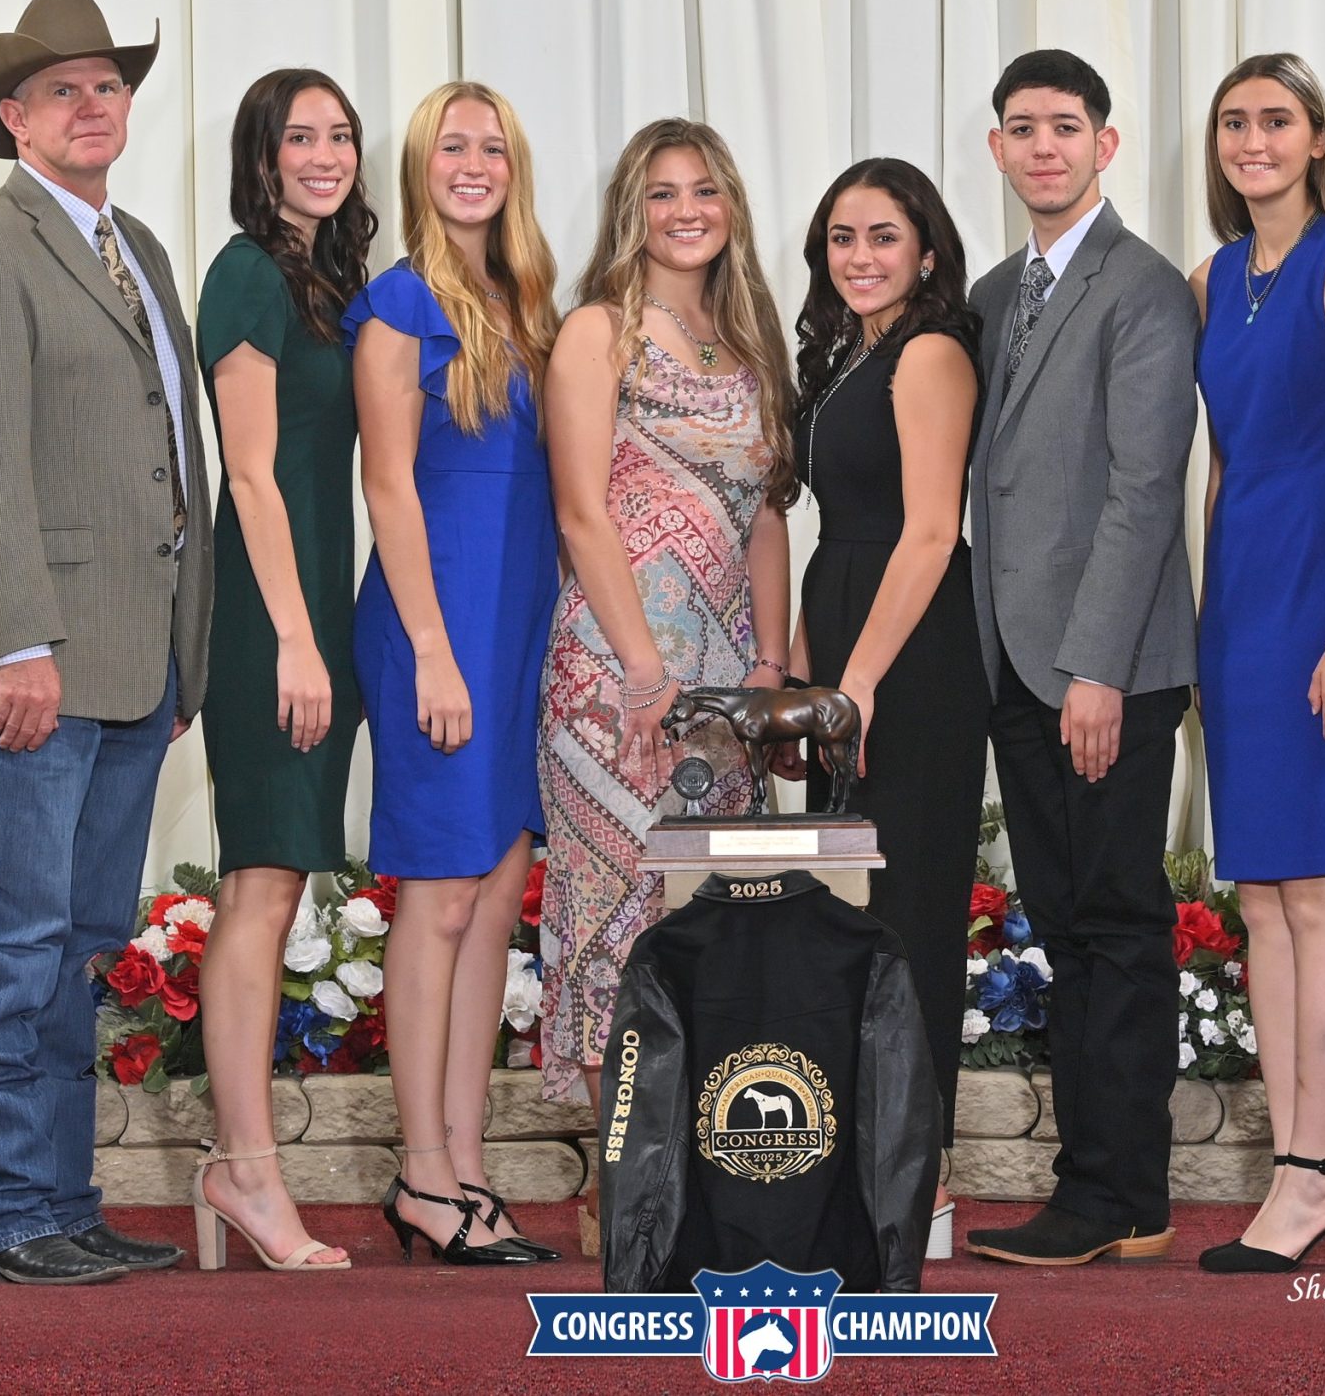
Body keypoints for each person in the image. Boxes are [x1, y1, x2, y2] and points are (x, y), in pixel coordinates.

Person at [0, 0, 210, 1286]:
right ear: (14, 119)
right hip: (36, 660)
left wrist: (187, 649)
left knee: (80, 934)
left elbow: (170, 457)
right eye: (66, 91)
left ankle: (61, 1197)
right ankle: (8, 1213)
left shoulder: (135, 240)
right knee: (13, 928)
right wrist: (16, 639)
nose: (96, 106)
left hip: (138, 657)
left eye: (109, 85)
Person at [537, 118, 797, 1249]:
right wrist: (643, 667)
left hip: (725, 689)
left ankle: (695, 1183)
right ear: (629, 213)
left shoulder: (747, 342)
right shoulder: (598, 331)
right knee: (615, 924)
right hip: (614, 672)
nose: (684, 210)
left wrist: (770, 672)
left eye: (703, 190)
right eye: (659, 194)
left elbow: (770, 514)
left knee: (708, 929)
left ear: (730, 206)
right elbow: (580, 508)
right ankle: (622, 1197)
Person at [960, 49, 1199, 1267]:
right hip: (1015, 667)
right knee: (1069, 922)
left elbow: (1144, 490)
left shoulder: (1144, 288)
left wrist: (1097, 667)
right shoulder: (997, 293)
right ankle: (1112, 1187)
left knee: (1114, 923)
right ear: (995, 150)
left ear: (1106, 144)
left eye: (1064, 126)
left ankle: (1115, 1195)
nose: (1042, 146)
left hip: (1105, 672)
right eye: (1020, 128)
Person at [1190, 52, 1325, 1276]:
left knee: (1322, 897)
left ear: (1317, 138)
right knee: (1263, 902)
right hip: (1244, 612)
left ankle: (1317, 1174)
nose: (1253, 139)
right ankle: (1294, 1170)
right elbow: (1222, 467)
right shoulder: (1217, 276)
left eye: (1276, 120)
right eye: (1234, 122)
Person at [348, 82, 562, 1267]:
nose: (472, 164)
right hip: (440, 625)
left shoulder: (524, 301)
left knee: (494, 897)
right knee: (437, 898)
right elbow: (388, 489)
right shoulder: (398, 304)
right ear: (420, 166)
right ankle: (421, 1175)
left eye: (491, 147)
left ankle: (467, 1161)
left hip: (522, 621)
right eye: (451, 146)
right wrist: (430, 648)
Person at [786, 157, 987, 1261]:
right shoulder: (846, 357)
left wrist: (856, 683)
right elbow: (837, 536)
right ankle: (864, 1162)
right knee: (851, 921)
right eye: (840, 239)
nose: (859, 257)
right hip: (849, 646)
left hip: (911, 663)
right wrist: (808, 677)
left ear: (924, 249)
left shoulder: (930, 352)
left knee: (907, 916)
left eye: (881, 237)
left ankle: (928, 1184)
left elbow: (926, 534)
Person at [188, 68, 372, 1273]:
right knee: (262, 884)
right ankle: (247, 1171)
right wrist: (298, 637)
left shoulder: (331, 279)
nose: (325, 152)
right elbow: (250, 475)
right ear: (261, 155)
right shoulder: (248, 272)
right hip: (272, 616)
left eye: (341, 133)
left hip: (320, 607)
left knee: (282, 881)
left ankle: (239, 1167)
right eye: (299, 136)